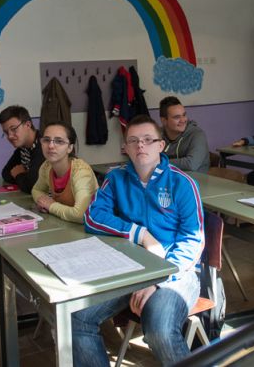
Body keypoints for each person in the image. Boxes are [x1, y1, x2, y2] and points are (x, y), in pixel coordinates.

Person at [75, 115, 205, 366]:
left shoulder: (182, 183)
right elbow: (92, 217)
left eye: (148, 139)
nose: (140, 146)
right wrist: (140, 234)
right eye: (133, 141)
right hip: (130, 269)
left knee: (159, 330)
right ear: (125, 147)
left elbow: (192, 241)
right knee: (77, 317)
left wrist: (159, 279)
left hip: (176, 272)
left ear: (161, 145)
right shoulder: (116, 178)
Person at [31, 122, 99, 224]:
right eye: (46, 140)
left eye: (59, 141)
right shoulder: (46, 166)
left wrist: (51, 206)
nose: (50, 146)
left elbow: (81, 215)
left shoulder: (81, 171)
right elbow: (36, 190)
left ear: (70, 148)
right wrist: (43, 202)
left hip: (89, 227)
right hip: (65, 223)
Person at [0, 105, 45, 194]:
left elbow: (32, 187)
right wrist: (25, 178)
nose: (10, 136)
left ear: (28, 125)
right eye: (6, 132)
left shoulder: (43, 146)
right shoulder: (23, 147)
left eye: (14, 129)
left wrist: (18, 174)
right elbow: (5, 173)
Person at [159, 96, 210, 172]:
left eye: (184, 115)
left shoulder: (197, 134)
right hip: (169, 177)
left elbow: (191, 164)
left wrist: (159, 162)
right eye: (177, 117)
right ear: (164, 121)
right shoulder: (157, 134)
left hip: (195, 178)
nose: (183, 120)